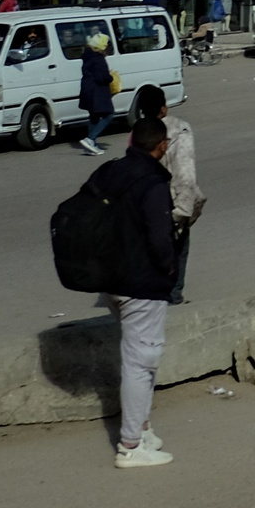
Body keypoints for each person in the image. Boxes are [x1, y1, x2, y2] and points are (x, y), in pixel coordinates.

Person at [78, 113, 180, 469]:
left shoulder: (109, 171)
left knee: (139, 357)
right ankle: (131, 445)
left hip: (108, 281)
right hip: (140, 284)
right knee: (141, 362)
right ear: (162, 146)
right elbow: (160, 239)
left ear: (131, 142)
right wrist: (168, 271)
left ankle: (144, 427)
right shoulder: (153, 183)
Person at [132, 84, 203, 299]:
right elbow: (185, 176)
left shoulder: (138, 132)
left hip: (145, 204)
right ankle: (173, 295)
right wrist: (183, 212)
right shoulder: (178, 130)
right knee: (178, 250)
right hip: (171, 203)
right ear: (163, 108)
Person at [74, 31, 117, 155]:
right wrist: (111, 77)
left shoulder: (87, 56)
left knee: (94, 116)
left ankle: (91, 146)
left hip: (87, 90)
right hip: (97, 92)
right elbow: (101, 78)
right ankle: (90, 139)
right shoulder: (98, 59)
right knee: (108, 115)